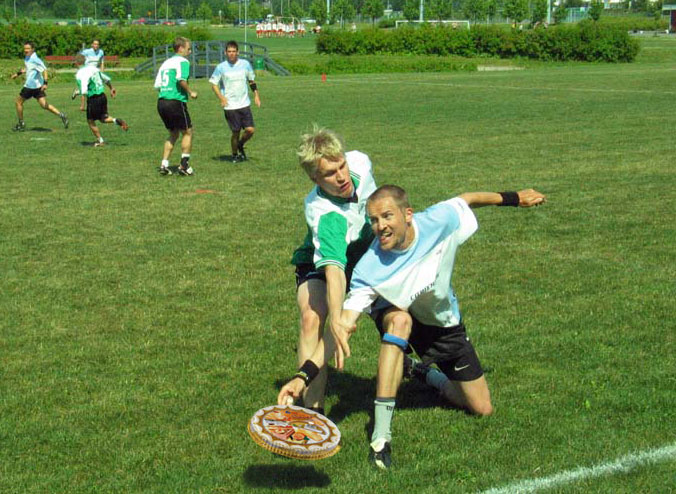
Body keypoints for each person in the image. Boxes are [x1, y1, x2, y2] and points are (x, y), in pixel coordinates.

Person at [278, 185, 546, 469]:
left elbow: (467, 199)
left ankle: (424, 373)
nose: (380, 226)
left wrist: (514, 198)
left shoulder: (440, 220)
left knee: (482, 408)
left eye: (387, 216)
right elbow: (341, 327)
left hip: (443, 324)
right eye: (373, 220)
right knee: (399, 320)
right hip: (400, 313)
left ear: (408, 215)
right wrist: (302, 377)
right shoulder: (369, 269)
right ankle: (381, 438)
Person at [288, 127, 379, 415]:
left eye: (341, 166)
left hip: (368, 258)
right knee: (312, 317)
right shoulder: (324, 213)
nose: (341, 177)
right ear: (315, 179)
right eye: (329, 173)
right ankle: (313, 413)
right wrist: (337, 319)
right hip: (321, 261)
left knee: (398, 315)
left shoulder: (360, 162)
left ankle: (418, 368)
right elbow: (334, 270)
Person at [208, 41, 261, 163]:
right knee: (235, 132)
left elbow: (251, 81)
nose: (231, 54)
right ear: (225, 53)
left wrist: (256, 95)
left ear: (238, 52)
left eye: (233, 51)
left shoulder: (245, 64)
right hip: (230, 106)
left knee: (250, 130)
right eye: (229, 51)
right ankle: (234, 154)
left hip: (244, 103)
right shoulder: (221, 67)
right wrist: (222, 98)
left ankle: (240, 144)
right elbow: (214, 84)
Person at [154, 36, 197, 176]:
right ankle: (184, 166)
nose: (190, 52)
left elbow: (157, 85)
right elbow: (181, 79)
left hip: (161, 102)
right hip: (175, 101)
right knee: (188, 132)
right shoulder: (183, 61)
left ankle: (164, 164)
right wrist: (190, 92)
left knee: (173, 133)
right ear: (180, 48)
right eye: (188, 49)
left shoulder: (165, 63)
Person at [11, 41, 69, 132]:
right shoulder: (28, 57)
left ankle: (21, 124)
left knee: (18, 102)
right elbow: (29, 68)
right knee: (44, 105)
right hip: (37, 87)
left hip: (30, 87)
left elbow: (44, 69)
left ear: (33, 49)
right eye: (25, 48)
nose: (26, 50)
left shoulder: (35, 59)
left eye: (28, 48)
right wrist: (18, 74)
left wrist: (45, 83)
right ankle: (62, 115)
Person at [75, 54, 129, 147]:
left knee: (90, 120)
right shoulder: (93, 69)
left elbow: (84, 91)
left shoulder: (80, 74)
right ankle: (116, 120)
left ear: (76, 63)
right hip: (102, 96)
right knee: (103, 118)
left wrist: (82, 104)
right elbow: (106, 79)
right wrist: (111, 88)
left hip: (93, 99)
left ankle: (100, 141)